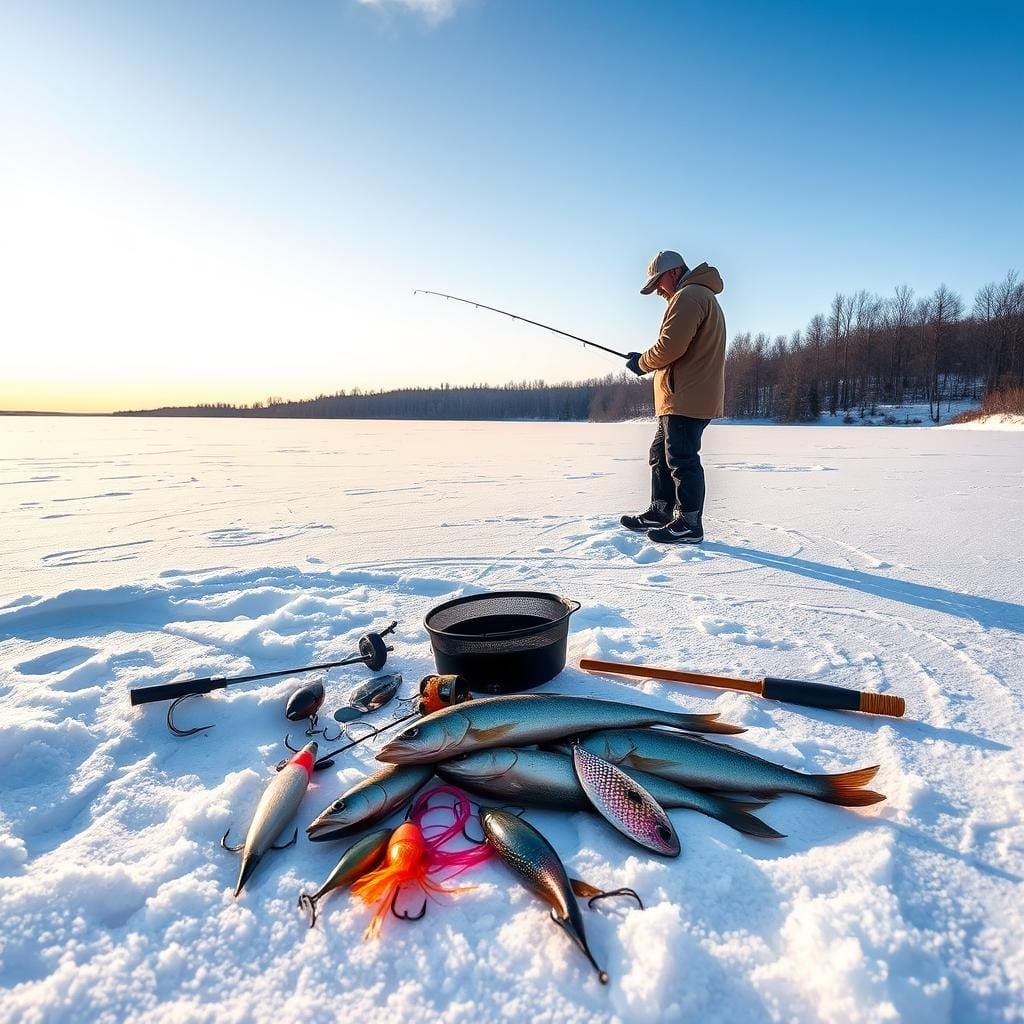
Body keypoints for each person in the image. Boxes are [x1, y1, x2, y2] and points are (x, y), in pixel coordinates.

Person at [621, 250, 726, 544]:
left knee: (682, 459)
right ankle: (661, 511)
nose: (657, 291)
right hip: (678, 397)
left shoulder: (689, 296)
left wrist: (642, 363)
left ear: (672, 273)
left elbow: (670, 346)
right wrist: (643, 359)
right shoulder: (695, 295)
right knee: (661, 456)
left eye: (657, 283)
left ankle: (689, 523)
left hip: (686, 397)